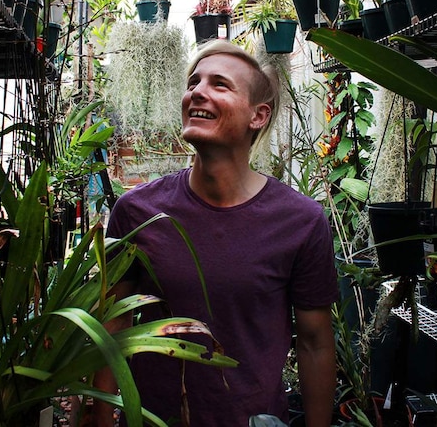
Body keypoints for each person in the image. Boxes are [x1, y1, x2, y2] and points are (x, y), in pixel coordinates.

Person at [91, 40, 338, 426]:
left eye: (219, 84)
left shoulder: (301, 221)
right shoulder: (137, 211)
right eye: (194, 82)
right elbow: (113, 323)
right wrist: (100, 416)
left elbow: (315, 342)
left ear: (258, 116)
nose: (197, 92)